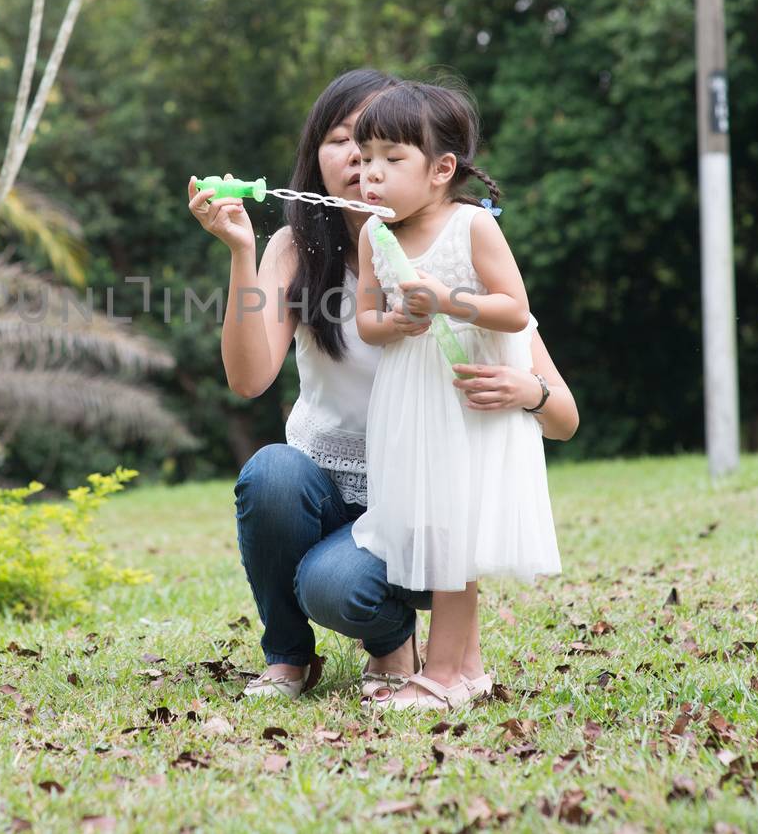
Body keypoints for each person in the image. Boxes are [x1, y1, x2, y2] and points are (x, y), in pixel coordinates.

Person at [185, 69, 579, 703]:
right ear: (317, 155)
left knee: (332, 584)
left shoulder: (458, 244)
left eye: (381, 147)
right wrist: (238, 252)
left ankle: (399, 644)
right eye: (344, 142)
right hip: (326, 489)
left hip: (425, 502)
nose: (360, 161)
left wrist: (521, 389)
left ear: (432, 165)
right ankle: (288, 658)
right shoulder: (297, 248)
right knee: (271, 476)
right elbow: (248, 378)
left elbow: (562, 416)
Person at [350, 80, 560, 711]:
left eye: (391, 159)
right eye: (364, 160)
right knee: (432, 524)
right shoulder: (373, 237)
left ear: (442, 169)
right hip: (411, 400)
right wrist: (397, 323)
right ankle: (467, 671)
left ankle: (440, 675)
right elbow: (366, 321)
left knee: (454, 536)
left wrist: (445, 300)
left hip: (466, 399)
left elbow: (514, 309)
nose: (371, 176)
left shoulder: (471, 226)